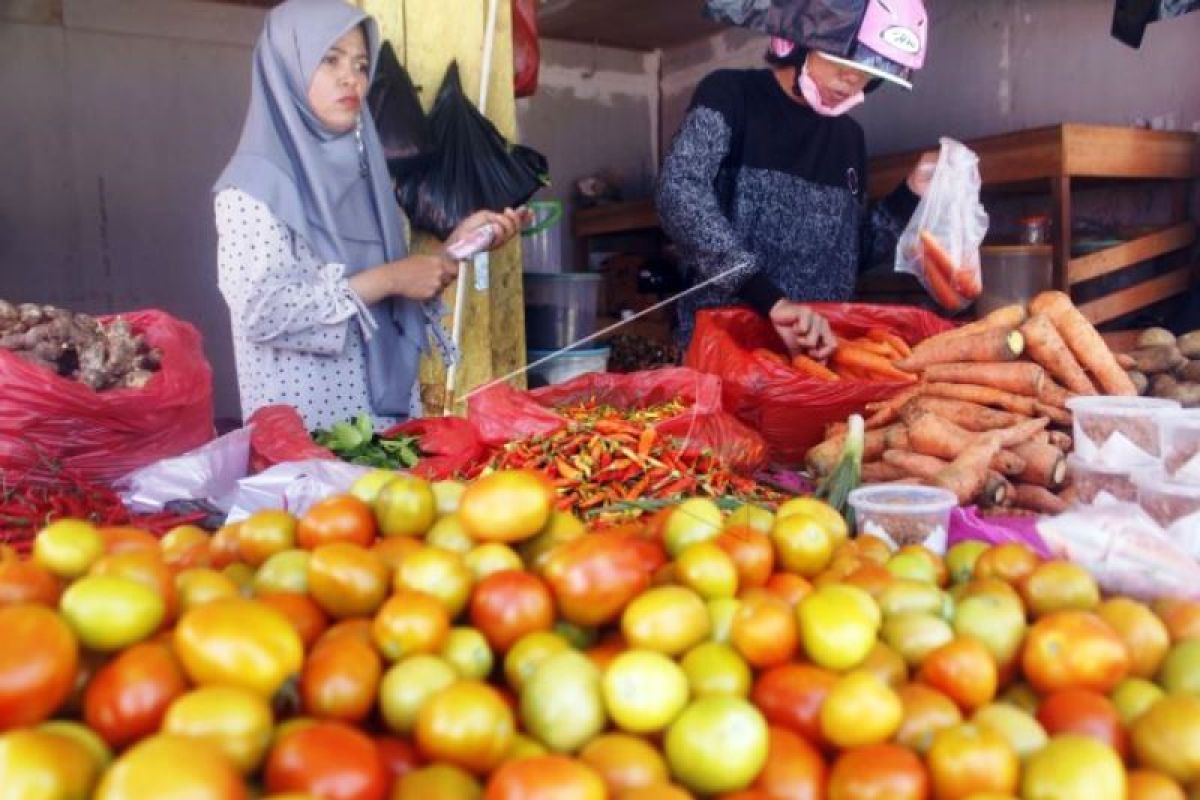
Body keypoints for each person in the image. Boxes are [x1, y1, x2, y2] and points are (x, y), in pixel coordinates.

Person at [215, 0, 522, 429]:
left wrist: (456, 248)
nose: (351, 78)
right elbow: (262, 312)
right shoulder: (251, 187)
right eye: (330, 59)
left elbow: (389, 286)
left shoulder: (366, 175)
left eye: (361, 64)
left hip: (387, 427)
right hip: (309, 439)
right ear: (286, 66)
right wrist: (392, 278)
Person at [657, 0, 937, 358]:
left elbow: (850, 256)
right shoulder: (730, 95)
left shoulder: (850, 138)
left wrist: (910, 194)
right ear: (795, 41)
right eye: (842, 60)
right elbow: (679, 191)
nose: (854, 79)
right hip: (725, 351)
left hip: (815, 357)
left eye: (871, 69)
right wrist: (767, 298)